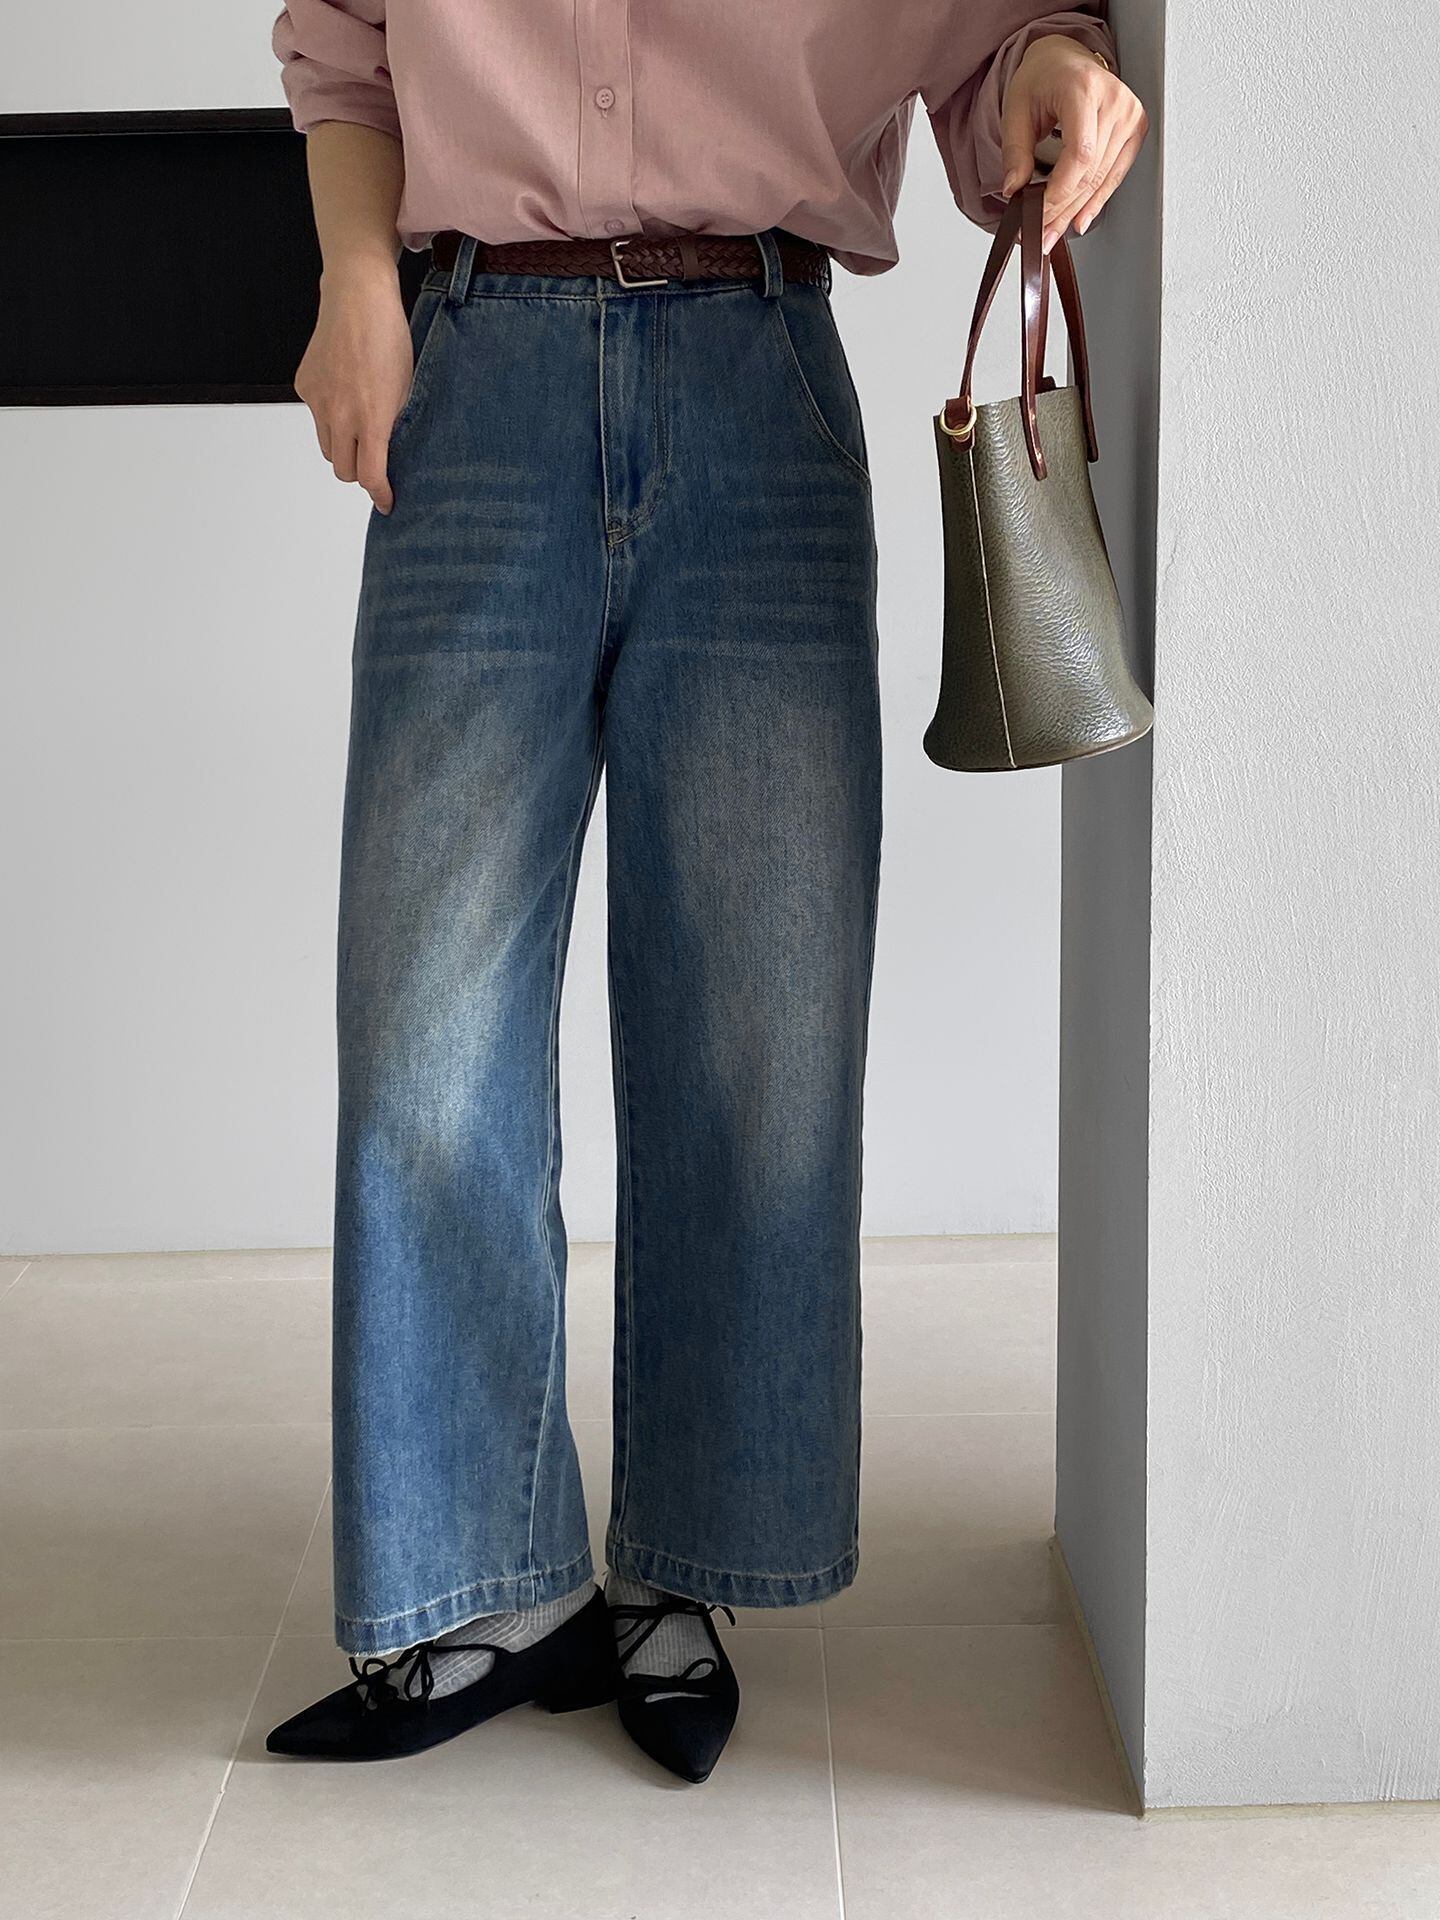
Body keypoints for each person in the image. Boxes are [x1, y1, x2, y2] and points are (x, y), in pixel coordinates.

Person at [263, 0, 1146, 1784]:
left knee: (758, 1031)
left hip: (763, 373)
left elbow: (984, 62)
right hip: (472, 376)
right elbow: (344, 50)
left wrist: (1052, 64)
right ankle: (492, 1591)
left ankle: (687, 1566)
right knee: (422, 1034)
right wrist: (357, 279)